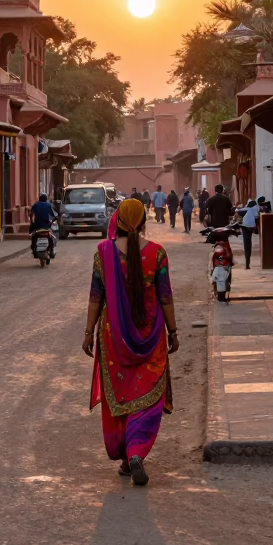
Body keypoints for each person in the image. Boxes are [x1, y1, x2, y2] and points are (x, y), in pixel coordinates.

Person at [82, 196, 179, 486]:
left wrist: (88, 333)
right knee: (146, 394)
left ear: (118, 221)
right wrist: (173, 331)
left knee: (122, 394)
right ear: (144, 221)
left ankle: (125, 455)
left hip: (114, 339)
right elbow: (166, 297)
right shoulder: (157, 254)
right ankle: (137, 452)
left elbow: (95, 299)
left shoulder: (104, 254)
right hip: (151, 338)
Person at [29, 193, 56, 261]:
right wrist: (53, 219)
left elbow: (31, 214)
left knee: (34, 236)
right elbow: (53, 214)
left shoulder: (35, 205)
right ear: (46, 200)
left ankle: (34, 249)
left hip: (37, 225)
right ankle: (52, 250)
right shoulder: (48, 205)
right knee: (50, 236)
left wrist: (31, 222)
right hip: (46, 225)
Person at [240, 199, 260, 268]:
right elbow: (257, 217)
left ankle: (247, 264)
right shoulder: (256, 208)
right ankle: (248, 262)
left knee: (246, 243)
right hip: (251, 227)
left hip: (244, 227)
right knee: (249, 243)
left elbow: (238, 212)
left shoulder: (245, 209)